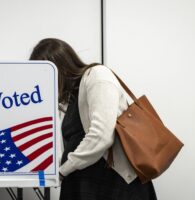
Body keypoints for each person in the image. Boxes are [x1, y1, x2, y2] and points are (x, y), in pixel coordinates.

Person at [30, 38, 157, 200]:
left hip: (109, 182)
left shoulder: (97, 76)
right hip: (85, 180)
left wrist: (63, 171)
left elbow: (101, 136)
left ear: (59, 68)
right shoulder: (73, 94)